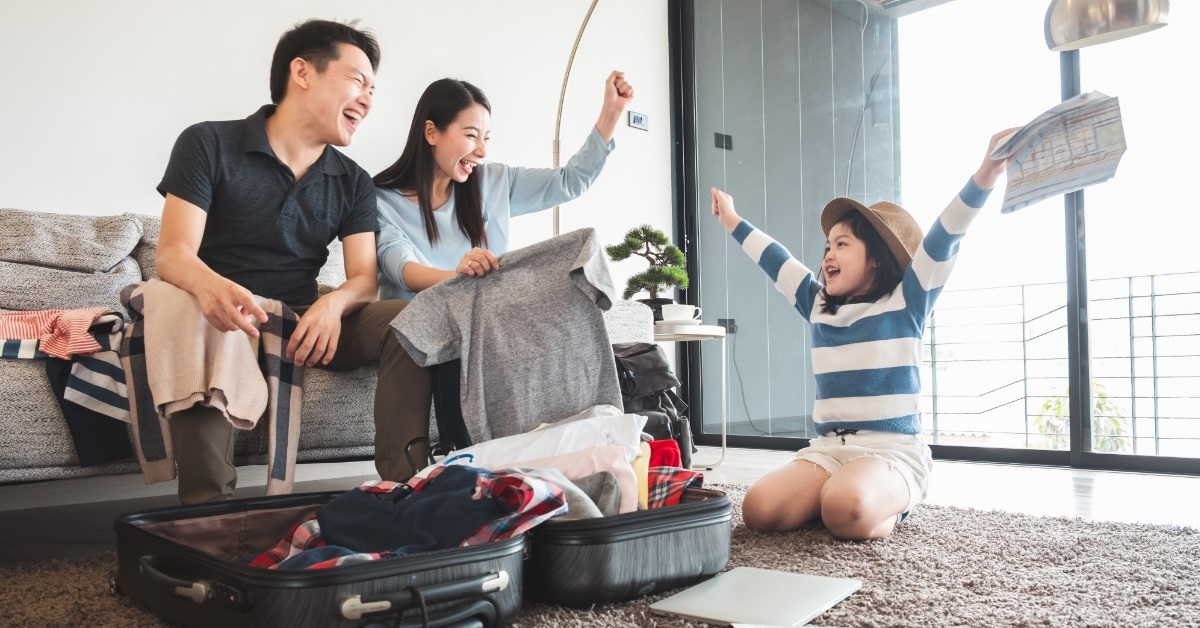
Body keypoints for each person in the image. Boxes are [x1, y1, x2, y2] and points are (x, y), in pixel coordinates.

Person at [154, 19, 432, 503]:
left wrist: (332, 305)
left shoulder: (352, 180)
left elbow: (364, 279)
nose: (368, 99)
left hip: (300, 317)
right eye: (357, 80)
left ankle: (404, 493)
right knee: (195, 317)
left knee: (412, 318)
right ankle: (206, 514)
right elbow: (173, 253)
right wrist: (209, 287)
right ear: (301, 72)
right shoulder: (208, 143)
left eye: (373, 89)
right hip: (224, 313)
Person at [709, 128, 1018, 540]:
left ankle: (890, 502)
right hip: (829, 451)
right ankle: (840, 498)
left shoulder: (908, 301)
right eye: (827, 247)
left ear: (875, 259)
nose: (828, 254)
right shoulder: (818, 304)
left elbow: (944, 238)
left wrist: (986, 175)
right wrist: (732, 220)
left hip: (892, 452)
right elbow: (775, 260)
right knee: (759, 510)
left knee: (843, 508)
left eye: (842, 244)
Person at [372, 72, 634, 447]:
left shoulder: (492, 181)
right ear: (431, 132)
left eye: (487, 138)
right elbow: (401, 268)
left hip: (488, 323)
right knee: (463, 327)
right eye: (471, 135)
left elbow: (568, 182)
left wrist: (611, 113)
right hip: (430, 326)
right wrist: (458, 278)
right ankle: (468, 455)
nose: (481, 150)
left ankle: (582, 434)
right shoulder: (382, 200)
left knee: (565, 286)